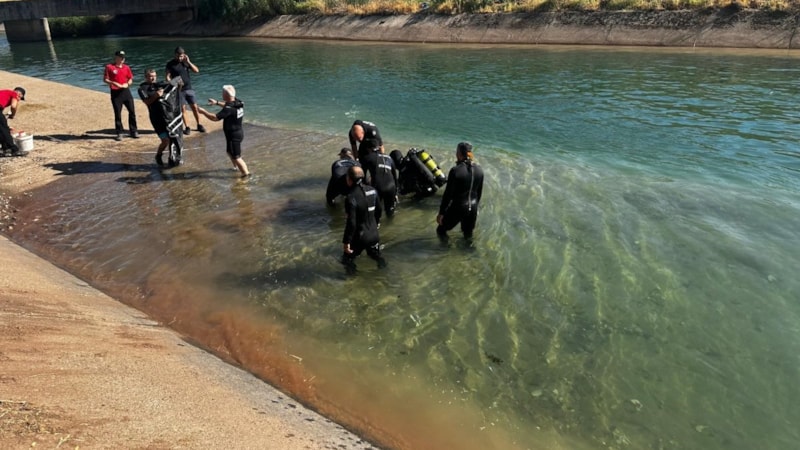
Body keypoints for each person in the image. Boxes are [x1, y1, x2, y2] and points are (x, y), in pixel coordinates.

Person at [198, 85, 250, 178]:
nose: (221, 93)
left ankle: (246, 175)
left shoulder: (228, 109)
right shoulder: (239, 102)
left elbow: (214, 118)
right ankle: (236, 168)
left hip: (234, 135)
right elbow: (228, 105)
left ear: (226, 95)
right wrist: (217, 102)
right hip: (236, 133)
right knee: (229, 152)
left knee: (237, 157)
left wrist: (203, 112)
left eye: (222, 92)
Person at [436, 142, 484, 242]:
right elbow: (479, 193)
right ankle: (469, 254)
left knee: (441, 230)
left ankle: (445, 251)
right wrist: (476, 208)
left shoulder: (455, 171)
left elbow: (448, 194)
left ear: (459, 153)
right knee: (467, 235)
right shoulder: (480, 170)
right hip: (473, 208)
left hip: (458, 207)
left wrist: (441, 213)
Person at [342, 166, 386, 274]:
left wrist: (346, 242)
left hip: (359, 237)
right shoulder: (373, 191)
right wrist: (377, 223)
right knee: (377, 257)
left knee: (347, 260)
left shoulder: (351, 197)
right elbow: (379, 211)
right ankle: (383, 273)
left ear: (349, 179)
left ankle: (352, 281)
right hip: (374, 235)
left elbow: (351, 222)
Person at [166, 46, 203, 135]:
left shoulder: (185, 63)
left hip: (189, 88)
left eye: (181, 56)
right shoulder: (170, 64)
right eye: (178, 56)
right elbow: (167, 77)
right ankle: (187, 127)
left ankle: (199, 124)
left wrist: (188, 62)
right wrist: (173, 83)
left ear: (184, 55)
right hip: (179, 90)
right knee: (183, 109)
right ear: (175, 55)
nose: (180, 58)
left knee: (194, 107)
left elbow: (197, 71)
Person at [138, 69, 171, 166]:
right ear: (146, 77)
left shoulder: (160, 85)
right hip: (156, 118)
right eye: (150, 76)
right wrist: (156, 95)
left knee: (173, 138)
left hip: (167, 116)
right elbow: (147, 102)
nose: (153, 78)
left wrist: (176, 80)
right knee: (165, 141)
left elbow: (174, 84)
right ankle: (159, 155)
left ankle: (173, 157)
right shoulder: (142, 88)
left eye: (154, 76)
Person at [103, 50, 138, 141]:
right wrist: (113, 83)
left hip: (126, 91)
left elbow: (130, 78)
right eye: (120, 57)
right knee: (118, 113)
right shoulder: (109, 67)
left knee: (132, 111)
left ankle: (133, 130)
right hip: (116, 92)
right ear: (116, 58)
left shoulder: (126, 67)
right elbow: (105, 79)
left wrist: (128, 84)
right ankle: (119, 132)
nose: (122, 59)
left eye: (123, 57)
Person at [367, 151, 398, 217]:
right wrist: (396, 192)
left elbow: (362, 175)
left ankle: (377, 224)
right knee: (390, 211)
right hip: (391, 186)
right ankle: (390, 224)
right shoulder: (389, 158)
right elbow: (394, 176)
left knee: (375, 211)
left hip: (378, 186)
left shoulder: (369, 157)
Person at [0, 87, 26, 157]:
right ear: (19, 94)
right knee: (5, 131)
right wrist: (13, 115)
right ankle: (14, 150)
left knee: (2, 130)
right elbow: (13, 106)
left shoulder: (5, 92)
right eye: (20, 98)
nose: (19, 99)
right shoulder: (14, 94)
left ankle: (4, 149)